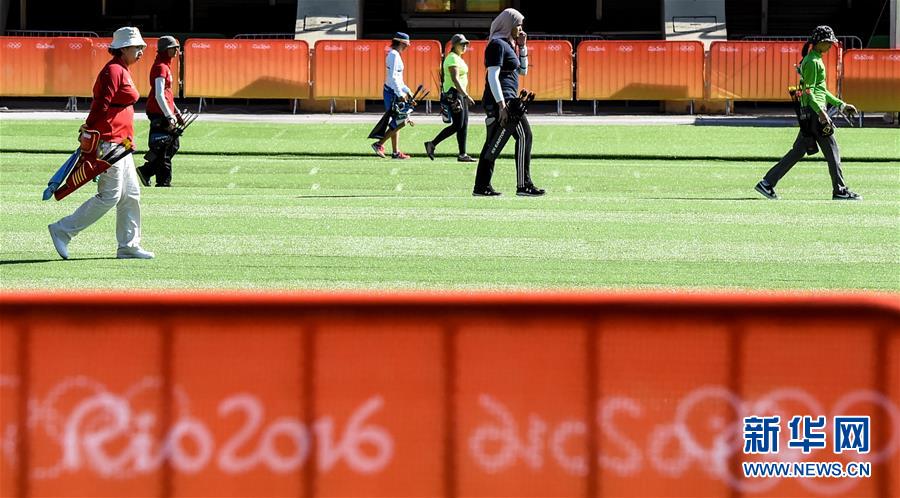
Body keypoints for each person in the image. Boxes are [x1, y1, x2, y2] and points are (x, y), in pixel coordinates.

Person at [48, 27, 154, 260]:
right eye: (137, 47)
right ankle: (62, 230)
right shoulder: (114, 71)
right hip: (110, 142)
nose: (141, 52)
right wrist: (89, 130)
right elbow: (100, 106)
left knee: (131, 194)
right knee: (110, 196)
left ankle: (128, 245)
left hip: (121, 143)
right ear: (123, 48)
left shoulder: (120, 69)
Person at [755, 25, 861, 201]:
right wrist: (821, 112)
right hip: (815, 113)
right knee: (832, 150)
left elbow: (821, 90)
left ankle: (767, 183)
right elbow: (809, 92)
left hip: (811, 112)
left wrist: (841, 105)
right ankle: (840, 190)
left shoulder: (814, 59)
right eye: (828, 42)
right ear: (819, 43)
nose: (830, 46)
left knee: (798, 151)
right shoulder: (813, 62)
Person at [472, 8, 544, 197]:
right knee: (524, 136)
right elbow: (493, 77)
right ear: (508, 25)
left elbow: (523, 71)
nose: (521, 29)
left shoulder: (508, 45)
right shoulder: (497, 44)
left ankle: (481, 187)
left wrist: (523, 46)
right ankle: (523, 185)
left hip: (506, 99)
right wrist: (502, 105)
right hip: (505, 101)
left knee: (492, 143)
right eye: (518, 24)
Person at [137, 35, 182, 187]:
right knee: (165, 147)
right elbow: (159, 94)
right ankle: (163, 182)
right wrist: (169, 115)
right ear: (166, 50)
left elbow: (166, 93)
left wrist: (175, 112)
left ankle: (147, 171)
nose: (177, 51)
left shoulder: (165, 65)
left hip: (165, 111)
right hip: (159, 112)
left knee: (172, 145)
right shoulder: (160, 67)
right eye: (173, 48)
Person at [424, 34, 476, 162]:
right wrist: (466, 95)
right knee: (458, 125)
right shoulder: (452, 58)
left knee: (463, 124)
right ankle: (432, 144)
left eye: (465, 44)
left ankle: (462, 154)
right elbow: (455, 78)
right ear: (454, 45)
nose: (465, 46)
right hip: (454, 94)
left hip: (458, 94)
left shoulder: (457, 58)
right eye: (462, 44)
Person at [372, 32, 413, 160]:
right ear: (401, 43)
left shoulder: (395, 55)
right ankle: (378, 144)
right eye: (406, 44)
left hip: (393, 91)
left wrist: (407, 89)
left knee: (397, 121)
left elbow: (397, 78)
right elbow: (394, 77)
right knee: (401, 120)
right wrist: (401, 94)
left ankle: (395, 152)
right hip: (392, 92)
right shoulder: (394, 55)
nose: (407, 47)